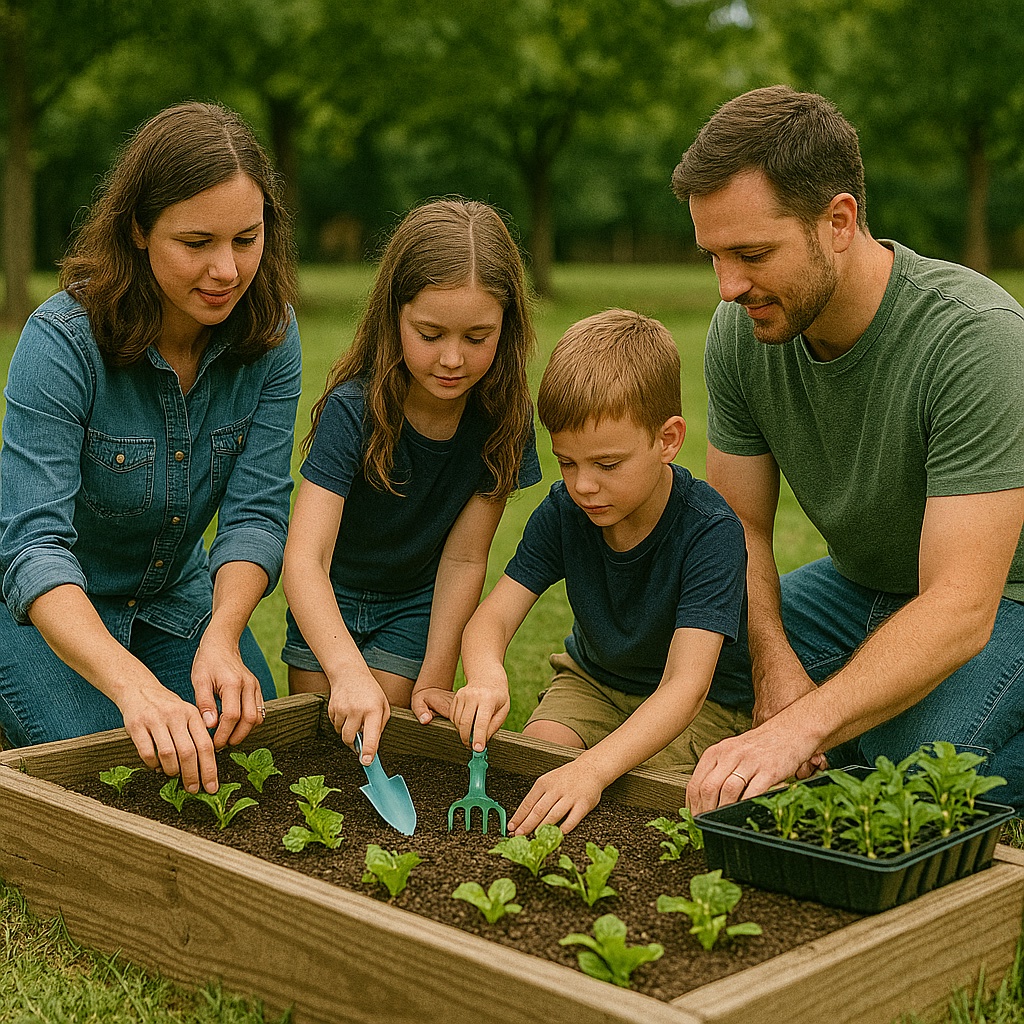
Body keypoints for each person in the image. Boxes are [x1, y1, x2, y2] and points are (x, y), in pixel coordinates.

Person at [671, 85, 1024, 814]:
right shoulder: (742, 331)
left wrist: (798, 727)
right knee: (679, 644)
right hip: (858, 590)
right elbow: (739, 529)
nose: (729, 285)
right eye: (713, 256)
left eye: (752, 253)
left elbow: (961, 604)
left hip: (1002, 602)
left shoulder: (976, 340)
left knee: (907, 779)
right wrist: (774, 668)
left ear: (838, 221)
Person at [0, 101, 301, 794]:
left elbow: (255, 515)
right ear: (138, 229)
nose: (227, 270)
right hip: (45, 605)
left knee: (250, 764)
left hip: (176, 596)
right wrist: (134, 686)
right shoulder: (61, 342)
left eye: (246, 239)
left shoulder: (271, 339)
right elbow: (33, 547)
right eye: (196, 243)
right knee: (116, 774)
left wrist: (223, 636)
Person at [454, 309, 753, 834]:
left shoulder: (711, 531)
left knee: (646, 799)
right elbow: (491, 620)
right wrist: (485, 675)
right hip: (592, 682)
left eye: (607, 465)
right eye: (567, 463)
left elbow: (686, 686)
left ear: (667, 439)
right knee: (537, 766)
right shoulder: (566, 512)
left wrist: (592, 768)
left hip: (698, 707)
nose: (583, 485)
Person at [281, 198, 541, 766]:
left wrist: (435, 674)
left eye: (477, 337)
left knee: (388, 732)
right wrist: (346, 670)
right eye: (429, 333)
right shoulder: (354, 410)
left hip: (413, 603)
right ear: (393, 317)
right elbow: (305, 557)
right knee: (320, 741)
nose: (452, 358)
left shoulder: (505, 422)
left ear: (508, 326)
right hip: (331, 594)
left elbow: (465, 560)